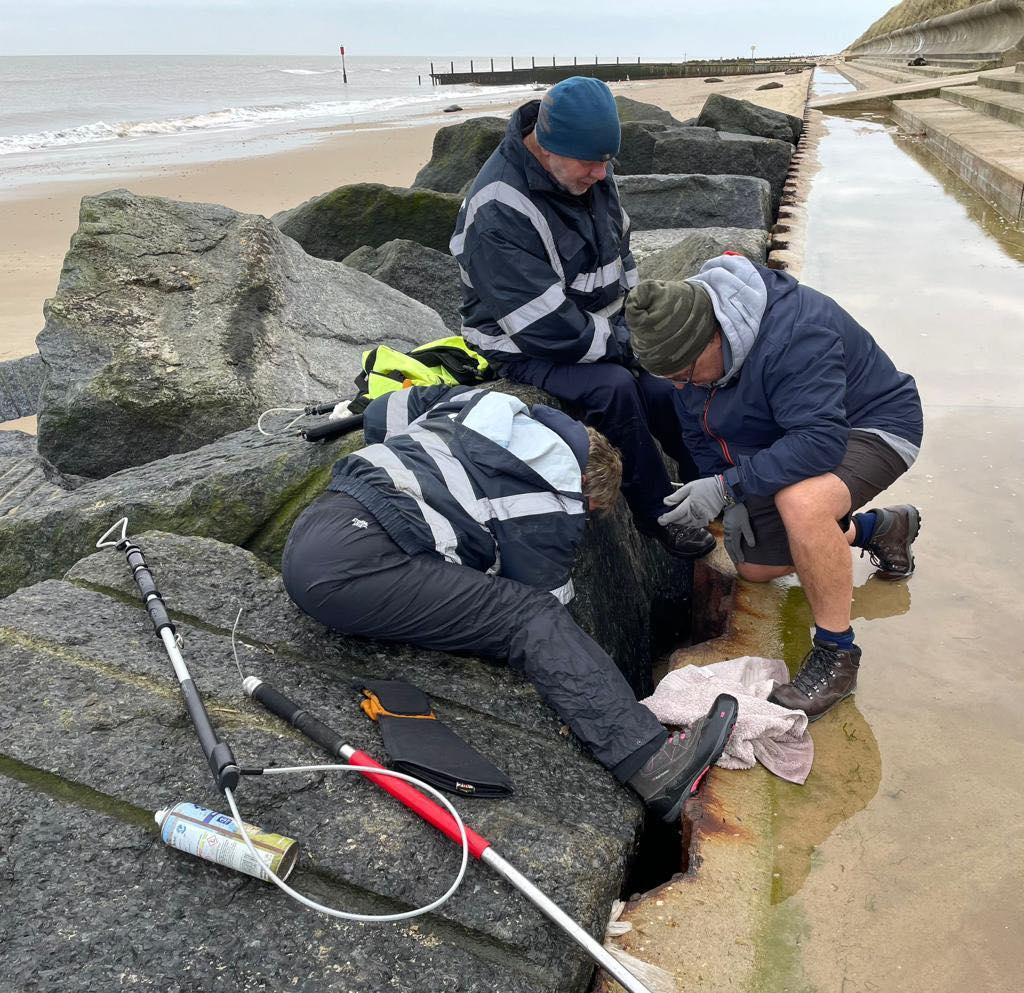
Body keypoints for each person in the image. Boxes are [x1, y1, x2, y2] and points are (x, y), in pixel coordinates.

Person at [282, 384, 737, 822]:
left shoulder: (475, 403)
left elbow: (384, 411)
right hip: (352, 569)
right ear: (585, 485)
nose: (584, 520)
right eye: (591, 511)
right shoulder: (554, 495)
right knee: (529, 617)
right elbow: (542, 609)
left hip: (322, 524)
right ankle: (650, 761)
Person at [625, 254, 924, 721]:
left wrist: (729, 487)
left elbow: (819, 444)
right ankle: (876, 530)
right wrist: (728, 490)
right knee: (757, 568)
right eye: (671, 380)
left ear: (715, 336)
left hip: (873, 425)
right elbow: (700, 428)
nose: (682, 386)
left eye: (685, 374)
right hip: (794, 432)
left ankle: (836, 654)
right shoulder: (694, 354)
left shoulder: (794, 336)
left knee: (802, 503)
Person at [448, 75, 714, 560]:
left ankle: (712, 486)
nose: (600, 174)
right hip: (523, 345)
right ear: (546, 146)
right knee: (614, 389)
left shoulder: (588, 168)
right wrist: (630, 347)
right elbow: (545, 328)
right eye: (591, 164)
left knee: (665, 387)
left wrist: (643, 326)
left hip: (603, 327)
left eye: (606, 162)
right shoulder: (498, 207)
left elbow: (623, 254)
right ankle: (657, 514)